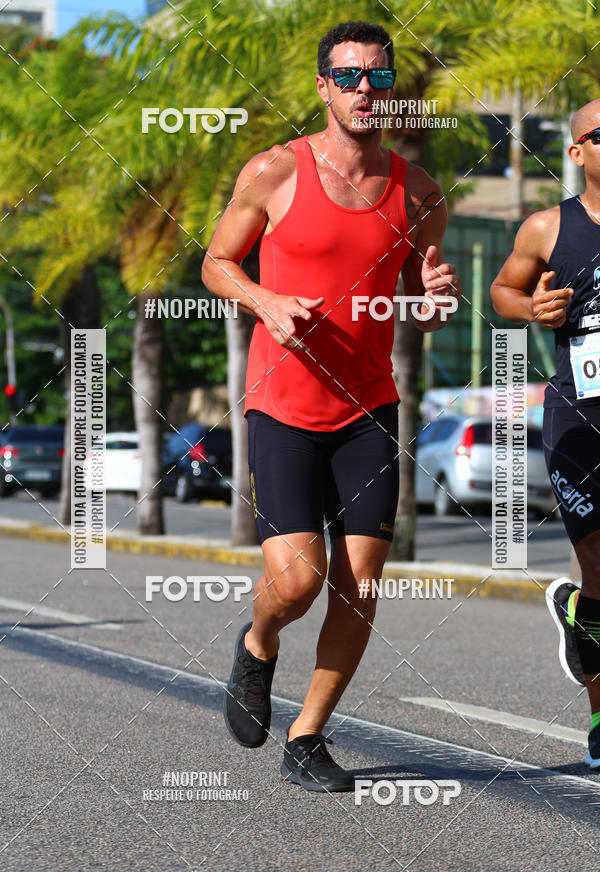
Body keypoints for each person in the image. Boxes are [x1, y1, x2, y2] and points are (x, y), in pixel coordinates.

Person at [202, 20, 460, 792]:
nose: (363, 91)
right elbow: (216, 262)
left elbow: (420, 302)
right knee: (297, 583)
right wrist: (264, 298)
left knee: (362, 580)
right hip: (282, 405)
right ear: (324, 87)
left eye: (377, 79)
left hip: (369, 409)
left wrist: (436, 304)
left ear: (392, 91)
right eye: (347, 77)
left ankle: (308, 736)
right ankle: (257, 645)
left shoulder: (420, 193)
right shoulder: (276, 172)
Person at [491, 99, 600, 769]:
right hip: (581, 419)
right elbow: (504, 289)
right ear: (579, 151)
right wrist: (532, 306)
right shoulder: (548, 226)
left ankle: (578, 615)